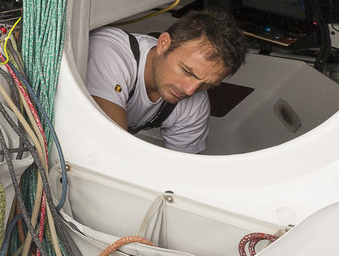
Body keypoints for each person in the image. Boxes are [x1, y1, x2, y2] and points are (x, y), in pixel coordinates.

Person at [85, 11, 247, 154]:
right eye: (187, 71)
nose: (190, 90)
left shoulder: (196, 103)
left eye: (208, 85)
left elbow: (182, 170)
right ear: (164, 43)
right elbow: (113, 149)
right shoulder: (108, 53)